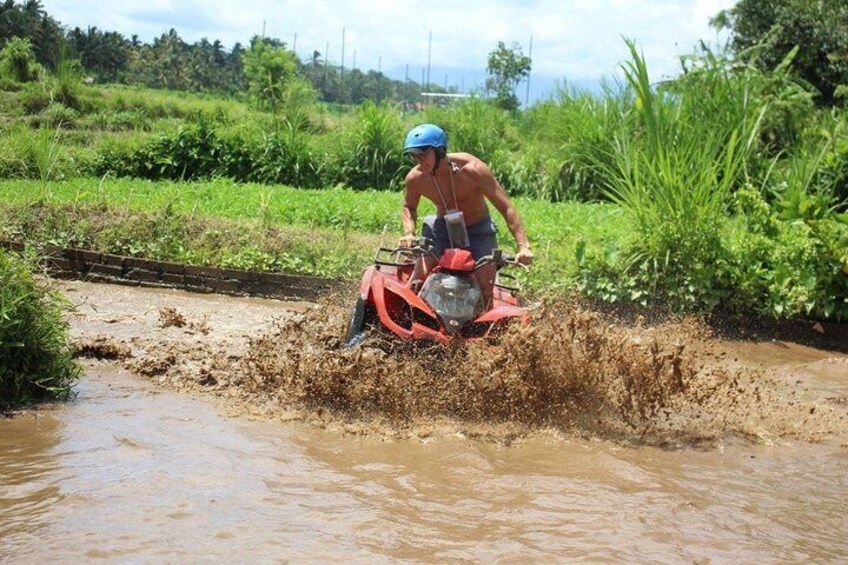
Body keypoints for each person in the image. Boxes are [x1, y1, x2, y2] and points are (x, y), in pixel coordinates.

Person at [399, 123, 533, 301]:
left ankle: (482, 326)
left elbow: (506, 206)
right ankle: (411, 321)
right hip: (442, 231)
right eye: (415, 156)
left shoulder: (473, 170)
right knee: (417, 280)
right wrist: (409, 234)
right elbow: (409, 207)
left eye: (423, 154)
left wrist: (524, 246)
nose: (419, 161)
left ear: (440, 151)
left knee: (485, 290)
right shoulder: (415, 178)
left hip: (479, 231)